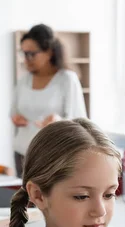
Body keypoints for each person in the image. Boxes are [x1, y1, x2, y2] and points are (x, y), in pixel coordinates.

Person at [11, 24, 87, 177]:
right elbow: (14, 111)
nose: (26, 59)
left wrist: (59, 121)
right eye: (23, 53)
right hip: (23, 152)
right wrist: (16, 118)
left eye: (32, 54)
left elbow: (80, 122)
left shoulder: (67, 79)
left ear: (49, 52)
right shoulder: (23, 80)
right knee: (26, 198)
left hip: (54, 155)